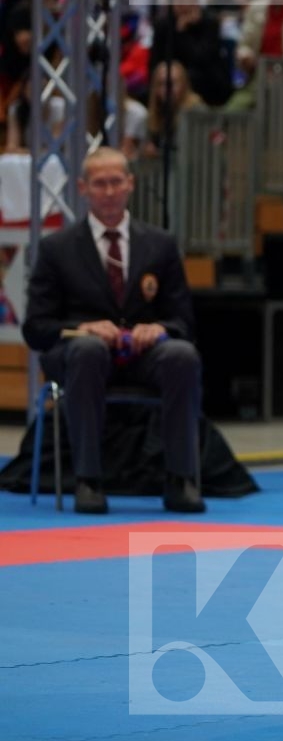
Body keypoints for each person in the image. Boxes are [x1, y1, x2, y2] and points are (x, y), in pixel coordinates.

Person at [22, 148, 203, 515]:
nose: (108, 191)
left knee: (182, 355)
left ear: (130, 185)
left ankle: (180, 478)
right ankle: (88, 479)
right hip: (80, 356)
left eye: (116, 182)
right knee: (89, 351)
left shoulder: (161, 244)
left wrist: (158, 328)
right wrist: (80, 328)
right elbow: (36, 329)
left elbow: (184, 322)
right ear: (83, 188)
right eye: (99, 183)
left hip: (142, 354)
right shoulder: (57, 248)